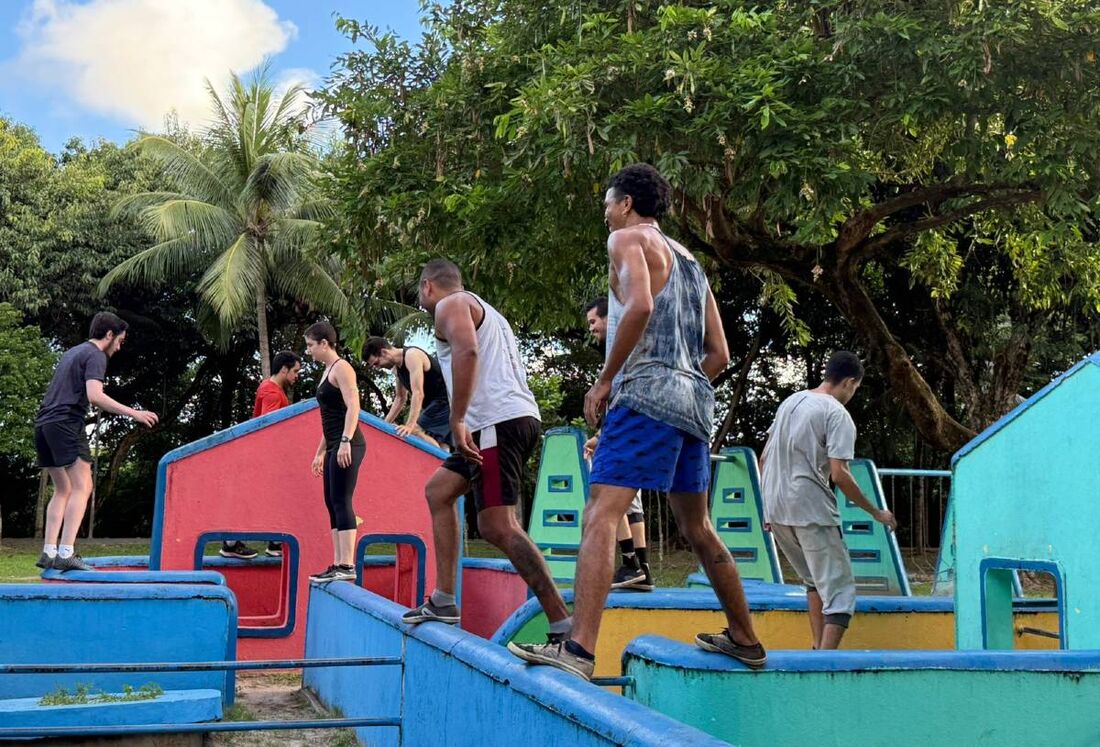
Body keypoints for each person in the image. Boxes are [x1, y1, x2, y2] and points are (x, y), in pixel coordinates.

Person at [510, 164, 766, 680]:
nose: (605, 213)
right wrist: (682, 382)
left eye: (607, 203)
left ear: (626, 203)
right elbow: (719, 352)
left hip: (646, 391)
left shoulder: (627, 239)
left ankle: (577, 650)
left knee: (601, 515)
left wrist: (606, 380)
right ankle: (745, 638)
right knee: (698, 527)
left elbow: (641, 304)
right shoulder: (693, 263)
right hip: (694, 402)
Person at [401, 259, 571, 642]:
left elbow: (468, 352)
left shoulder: (450, 305)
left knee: (496, 525)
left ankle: (563, 624)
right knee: (438, 492)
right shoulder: (484, 309)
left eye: (420, 290)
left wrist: (457, 419)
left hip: (495, 423)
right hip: (495, 424)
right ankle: (444, 599)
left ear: (429, 286)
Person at [759, 351, 897, 650]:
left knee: (813, 580)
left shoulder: (791, 402)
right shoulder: (836, 413)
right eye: (856, 388)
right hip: (811, 509)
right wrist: (875, 512)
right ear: (849, 382)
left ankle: (815, 649)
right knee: (840, 591)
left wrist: (766, 506)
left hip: (777, 507)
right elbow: (840, 474)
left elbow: (764, 457)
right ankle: (826, 659)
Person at [35, 312, 158, 572]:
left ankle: (49, 551)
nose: (120, 347)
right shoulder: (96, 355)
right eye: (120, 341)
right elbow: (95, 395)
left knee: (63, 489)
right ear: (109, 335)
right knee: (83, 485)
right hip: (66, 423)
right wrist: (134, 413)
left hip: (44, 425)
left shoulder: (73, 352)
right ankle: (66, 552)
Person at [583, 296, 654, 592]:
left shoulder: (620, 350)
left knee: (606, 490)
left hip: (628, 425)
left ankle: (629, 563)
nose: (591, 329)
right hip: (641, 425)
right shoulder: (637, 346)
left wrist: (603, 435)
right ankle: (641, 569)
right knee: (629, 499)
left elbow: (622, 394)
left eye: (593, 322)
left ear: (609, 319)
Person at [221, 350, 302, 560]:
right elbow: (268, 425)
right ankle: (231, 544)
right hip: (264, 456)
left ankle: (274, 543)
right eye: (295, 371)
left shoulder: (268, 386)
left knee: (276, 497)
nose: (296, 376)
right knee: (261, 498)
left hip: (262, 455)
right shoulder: (273, 392)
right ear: (284, 369)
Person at [304, 323, 366, 582]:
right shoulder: (327, 371)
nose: (308, 352)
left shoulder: (342, 368)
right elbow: (330, 418)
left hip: (349, 443)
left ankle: (347, 565)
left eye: (310, 346)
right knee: (331, 502)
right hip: (334, 444)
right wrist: (320, 452)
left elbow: (354, 407)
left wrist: (344, 441)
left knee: (342, 499)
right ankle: (338, 562)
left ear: (324, 343)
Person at [364, 336, 452, 449]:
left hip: (445, 401)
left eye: (376, 363)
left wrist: (410, 426)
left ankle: (439, 462)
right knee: (440, 444)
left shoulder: (412, 356)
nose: (378, 367)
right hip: (434, 405)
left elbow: (418, 393)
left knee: (414, 431)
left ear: (384, 352)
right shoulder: (397, 368)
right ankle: (447, 463)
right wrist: (383, 425)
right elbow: (400, 398)